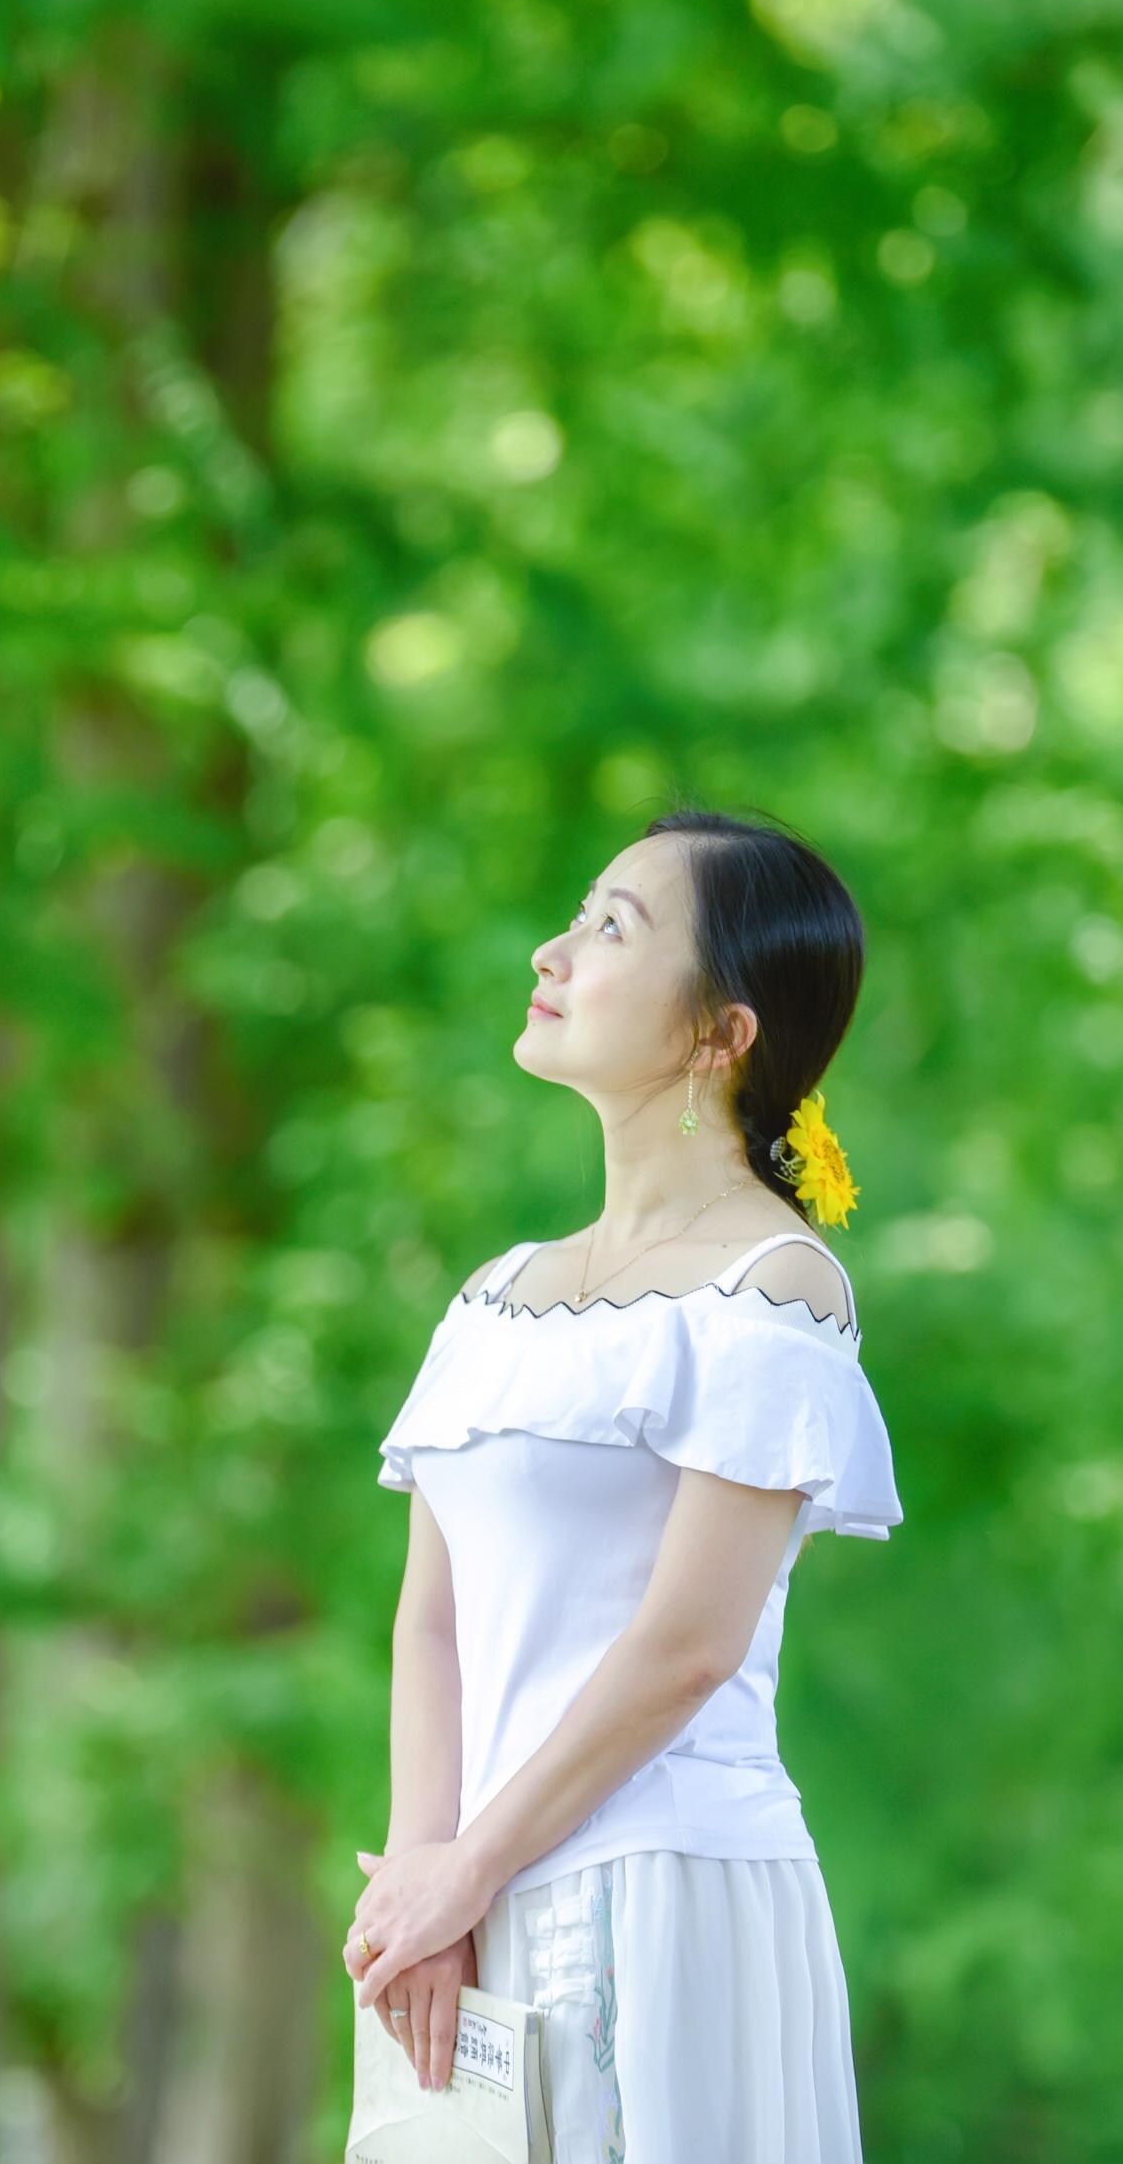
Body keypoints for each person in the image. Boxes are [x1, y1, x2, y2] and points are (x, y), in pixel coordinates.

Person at [343, 809, 902, 2163]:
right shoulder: (494, 1297)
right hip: (473, 1904)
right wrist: (430, 1880)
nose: (555, 950)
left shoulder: (772, 1293)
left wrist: (467, 1865)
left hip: (670, 1895)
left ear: (723, 1034)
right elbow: (433, 1620)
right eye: (580, 914)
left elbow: (690, 1643)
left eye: (611, 929)